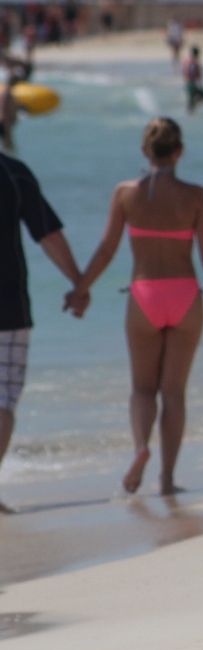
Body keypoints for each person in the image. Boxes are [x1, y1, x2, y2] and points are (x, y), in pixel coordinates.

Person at [74, 119, 203, 496]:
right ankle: (166, 480)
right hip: (184, 295)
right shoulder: (195, 195)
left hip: (144, 294)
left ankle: (140, 448)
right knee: (174, 392)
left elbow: (106, 250)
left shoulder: (124, 193)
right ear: (179, 151)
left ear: (144, 152)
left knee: (142, 388)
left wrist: (79, 289)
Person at [0, 151, 88, 514]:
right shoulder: (13, 172)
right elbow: (47, 234)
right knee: (2, 399)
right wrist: (78, 283)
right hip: (8, 305)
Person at [182, 46, 203, 114]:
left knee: (192, 98)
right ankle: (190, 111)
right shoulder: (194, 62)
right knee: (199, 97)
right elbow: (194, 73)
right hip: (192, 82)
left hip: (188, 82)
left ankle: (191, 111)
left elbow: (184, 71)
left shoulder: (187, 60)